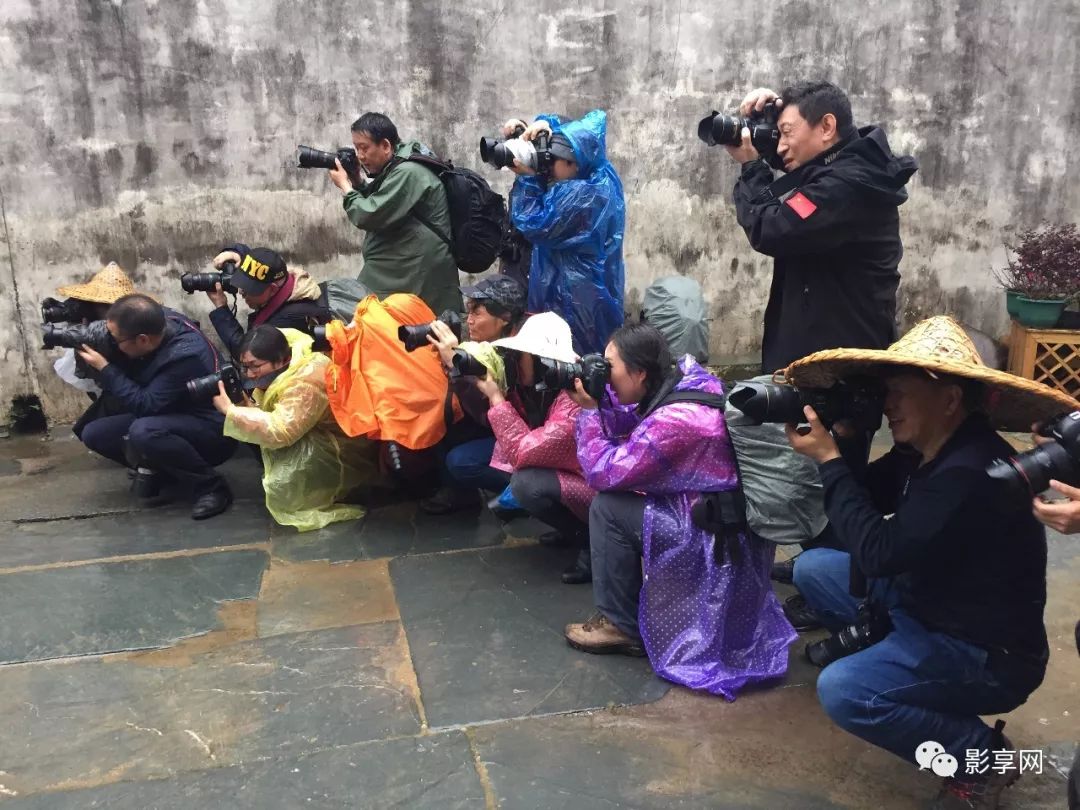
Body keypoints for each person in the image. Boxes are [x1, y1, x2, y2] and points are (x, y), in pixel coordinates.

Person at [783, 316, 1078, 809]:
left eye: (898, 392)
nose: (888, 404)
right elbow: (855, 510)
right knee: (814, 568)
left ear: (948, 399)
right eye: (885, 393)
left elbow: (877, 551)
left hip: (983, 653)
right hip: (930, 601)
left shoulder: (971, 473)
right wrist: (849, 438)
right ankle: (891, 647)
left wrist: (830, 462)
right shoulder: (925, 450)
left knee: (845, 692)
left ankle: (981, 755)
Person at [565, 322, 795, 698]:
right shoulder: (686, 378)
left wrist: (591, 413)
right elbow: (637, 415)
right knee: (618, 506)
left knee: (608, 508)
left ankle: (621, 626)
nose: (605, 376)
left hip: (710, 541)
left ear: (639, 372)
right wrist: (601, 398)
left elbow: (603, 471)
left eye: (610, 368)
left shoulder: (678, 422)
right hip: (720, 520)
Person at [726, 81, 917, 375]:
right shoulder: (849, 167)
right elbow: (802, 166)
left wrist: (752, 167)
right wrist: (768, 122)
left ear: (827, 126)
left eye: (787, 132)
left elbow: (771, 229)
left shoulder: (846, 187)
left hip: (836, 378)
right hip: (825, 365)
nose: (781, 145)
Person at [74, 294, 237, 519]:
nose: (112, 343)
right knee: (93, 433)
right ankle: (168, 469)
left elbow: (146, 404)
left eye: (116, 340)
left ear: (143, 340)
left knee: (144, 431)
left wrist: (106, 368)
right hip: (173, 412)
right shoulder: (158, 321)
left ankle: (212, 487)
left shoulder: (185, 355)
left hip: (213, 430)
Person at [213, 326, 380, 531]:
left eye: (255, 366)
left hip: (340, 448)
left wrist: (231, 412)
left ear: (282, 360)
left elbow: (282, 431)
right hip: (322, 432)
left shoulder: (306, 381)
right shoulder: (291, 352)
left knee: (284, 485)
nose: (249, 374)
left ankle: (333, 491)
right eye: (244, 367)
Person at [505, 109, 625, 355]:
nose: (547, 167)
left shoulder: (587, 194)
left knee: (574, 359)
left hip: (581, 300)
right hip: (564, 284)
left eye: (553, 161)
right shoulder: (598, 169)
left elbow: (534, 222)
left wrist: (528, 179)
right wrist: (542, 126)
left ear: (575, 162)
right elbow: (576, 134)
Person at [327, 112, 460, 315]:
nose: (360, 156)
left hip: (413, 267)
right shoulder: (397, 166)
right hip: (403, 262)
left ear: (386, 146)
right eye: (356, 148)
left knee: (371, 314)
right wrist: (356, 180)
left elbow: (369, 214)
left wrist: (345, 186)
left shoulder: (409, 171)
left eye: (364, 148)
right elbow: (382, 200)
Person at [420, 275, 529, 515]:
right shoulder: (486, 347)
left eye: (477, 314)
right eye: (468, 312)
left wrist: (456, 364)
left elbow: (491, 410)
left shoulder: (520, 352)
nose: (469, 321)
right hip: (498, 424)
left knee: (461, 461)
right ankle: (461, 495)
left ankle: (525, 494)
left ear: (504, 319)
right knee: (438, 423)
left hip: (524, 435)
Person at [205, 243, 334, 358]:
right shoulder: (286, 278)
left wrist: (221, 307)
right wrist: (233, 253)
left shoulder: (287, 320)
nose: (242, 293)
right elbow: (258, 261)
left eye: (250, 289)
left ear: (272, 289)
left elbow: (246, 352)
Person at [46, 262, 155, 397]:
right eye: (100, 305)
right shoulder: (90, 320)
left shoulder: (133, 325)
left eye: (108, 305)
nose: (109, 311)